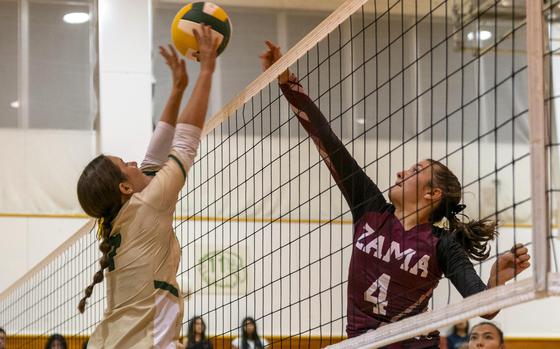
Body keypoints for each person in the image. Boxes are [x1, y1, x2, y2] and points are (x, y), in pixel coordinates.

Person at [259, 41, 531, 348]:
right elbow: (327, 141)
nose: (401, 173)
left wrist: (495, 281)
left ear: (432, 194)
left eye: (415, 170)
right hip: (361, 344)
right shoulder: (370, 209)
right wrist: (287, 83)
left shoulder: (443, 244)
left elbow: (486, 307)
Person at [76, 25, 218, 348]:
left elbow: (154, 156)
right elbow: (184, 141)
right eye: (124, 164)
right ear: (125, 188)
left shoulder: (115, 224)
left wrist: (178, 89)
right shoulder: (149, 205)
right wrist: (208, 68)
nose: (133, 162)